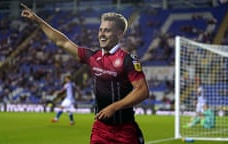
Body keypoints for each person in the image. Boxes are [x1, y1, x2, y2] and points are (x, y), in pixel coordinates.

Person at [21, 3, 149, 144]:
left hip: (124, 130)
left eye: (107, 30)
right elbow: (61, 42)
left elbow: (142, 91)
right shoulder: (92, 57)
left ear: (119, 34)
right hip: (100, 128)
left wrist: (114, 107)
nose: (101, 34)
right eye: (100, 30)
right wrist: (38, 20)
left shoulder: (128, 60)